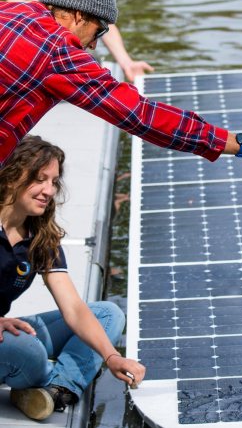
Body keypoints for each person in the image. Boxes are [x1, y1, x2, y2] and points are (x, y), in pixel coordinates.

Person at [0, 0, 242, 166]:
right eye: (99, 30)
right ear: (78, 16)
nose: (94, 44)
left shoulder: (7, 12)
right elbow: (142, 116)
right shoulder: (59, 51)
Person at [0, 136, 144, 421]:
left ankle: (55, 390)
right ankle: (47, 377)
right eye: (40, 179)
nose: (49, 190)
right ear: (12, 176)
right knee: (31, 353)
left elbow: (74, 310)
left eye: (54, 182)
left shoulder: (40, 238)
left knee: (107, 314)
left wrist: (111, 357)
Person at [5, 0, 154, 82]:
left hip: (75, 43)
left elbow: (101, 20)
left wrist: (126, 62)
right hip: (39, 48)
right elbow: (14, 4)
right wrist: (62, 4)